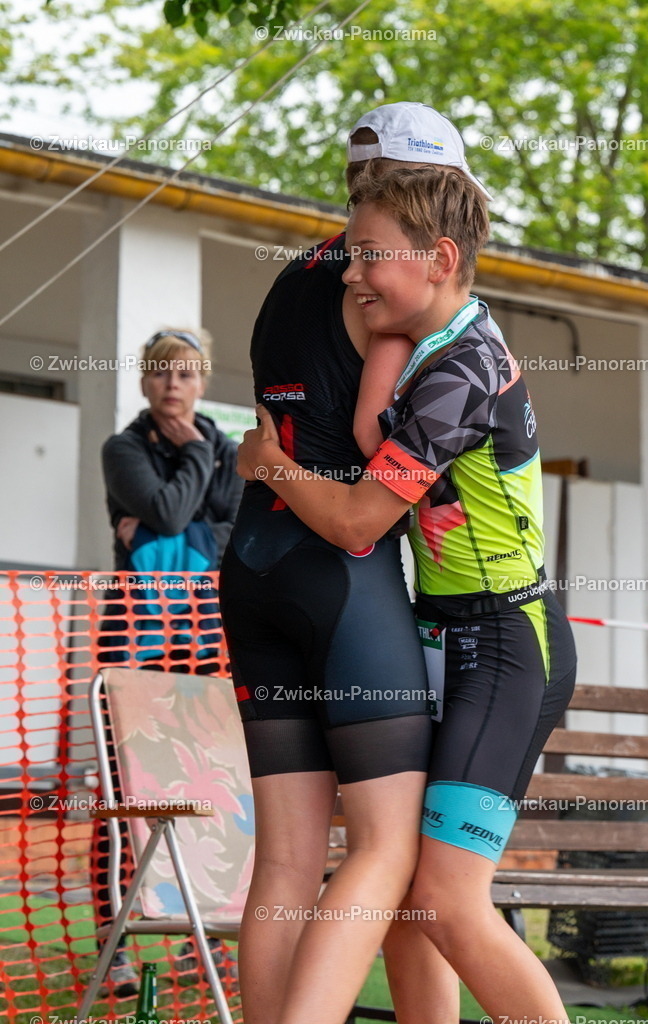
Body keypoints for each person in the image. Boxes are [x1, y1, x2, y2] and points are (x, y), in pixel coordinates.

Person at [236, 165, 577, 1024]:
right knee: (406, 914)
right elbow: (362, 429)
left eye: (368, 258)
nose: (347, 275)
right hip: (448, 633)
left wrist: (273, 466)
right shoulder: (434, 339)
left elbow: (356, 523)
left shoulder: (464, 370)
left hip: (507, 642)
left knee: (447, 900)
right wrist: (390, 308)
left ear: (441, 257)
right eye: (349, 256)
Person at [218, 103, 494, 1024]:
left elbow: (273, 419)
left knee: (288, 862)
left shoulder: (299, 272)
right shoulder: (390, 294)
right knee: (391, 848)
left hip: (255, 563)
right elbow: (380, 460)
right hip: (339, 563)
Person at [95, 328, 242, 995]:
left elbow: (235, 534)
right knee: (123, 793)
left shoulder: (230, 451)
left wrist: (165, 526)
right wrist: (191, 471)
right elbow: (169, 506)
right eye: (159, 374)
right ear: (145, 382)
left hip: (203, 641)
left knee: (201, 787)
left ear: (203, 381)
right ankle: (114, 939)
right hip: (134, 638)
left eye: (184, 374)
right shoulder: (122, 448)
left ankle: (199, 933)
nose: (171, 385)